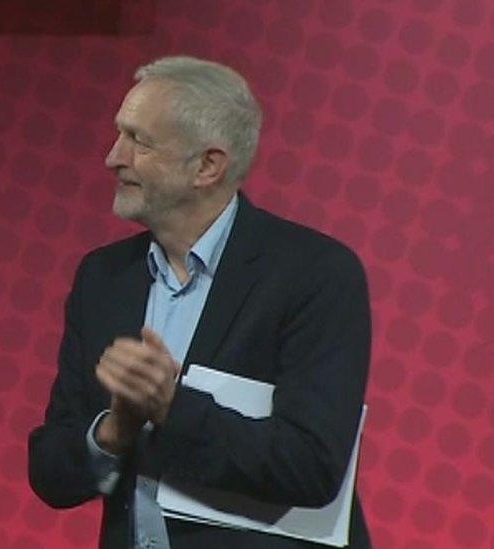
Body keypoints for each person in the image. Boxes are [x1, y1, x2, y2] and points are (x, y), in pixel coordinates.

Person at [28, 56, 372, 548]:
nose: (113, 157)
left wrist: (170, 408)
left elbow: (312, 465)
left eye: (138, 141)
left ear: (208, 166)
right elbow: (50, 469)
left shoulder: (314, 274)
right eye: (118, 134)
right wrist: (112, 432)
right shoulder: (104, 278)